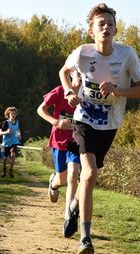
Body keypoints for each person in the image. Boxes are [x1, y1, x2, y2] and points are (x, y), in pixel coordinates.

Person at [59, 3, 140, 254]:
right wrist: (68, 91)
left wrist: (118, 90)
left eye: (110, 24)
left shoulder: (127, 55)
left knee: (91, 176)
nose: (106, 28)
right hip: (84, 120)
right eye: (101, 24)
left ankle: (75, 205)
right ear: (91, 31)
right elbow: (64, 71)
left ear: (116, 29)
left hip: (110, 124)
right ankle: (85, 237)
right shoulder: (82, 53)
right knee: (88, 173)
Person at [37, 71, 81, 238]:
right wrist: (56, 122)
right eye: (78, 74)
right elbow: (40, 110)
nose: (81, 78)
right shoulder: (59, 91)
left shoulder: (87, 95)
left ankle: (68, 217)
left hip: (76, 141)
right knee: (62, 179)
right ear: (71, 75)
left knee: (73, 176)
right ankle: (53, 183)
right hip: (58, 141)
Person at [0, 106, 21, 178]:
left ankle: (11, 170)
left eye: (14, 113)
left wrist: (19, 135)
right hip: (5, 143)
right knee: (5, 158)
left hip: (14, 142)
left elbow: (17, 130)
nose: (13, 115)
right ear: (8, 114)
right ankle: (4, 170)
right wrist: (6, 132)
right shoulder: (5, 123)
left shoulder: (17, 122)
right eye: (12, 113)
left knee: (13, 155)